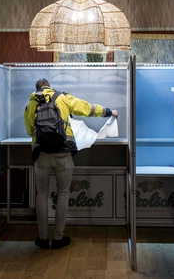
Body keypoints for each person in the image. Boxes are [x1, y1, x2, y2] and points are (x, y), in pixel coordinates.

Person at [24, 78, 118, 250]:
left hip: (42, 155)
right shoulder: (62, 98)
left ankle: (43, 238)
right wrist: (108, 112)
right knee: (63, 194)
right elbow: (87, 108)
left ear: (37, 88)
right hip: (63, 153)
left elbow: (30, 130)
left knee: (42, 195)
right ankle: (58, 237)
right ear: (49, 87)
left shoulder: (31, 103)